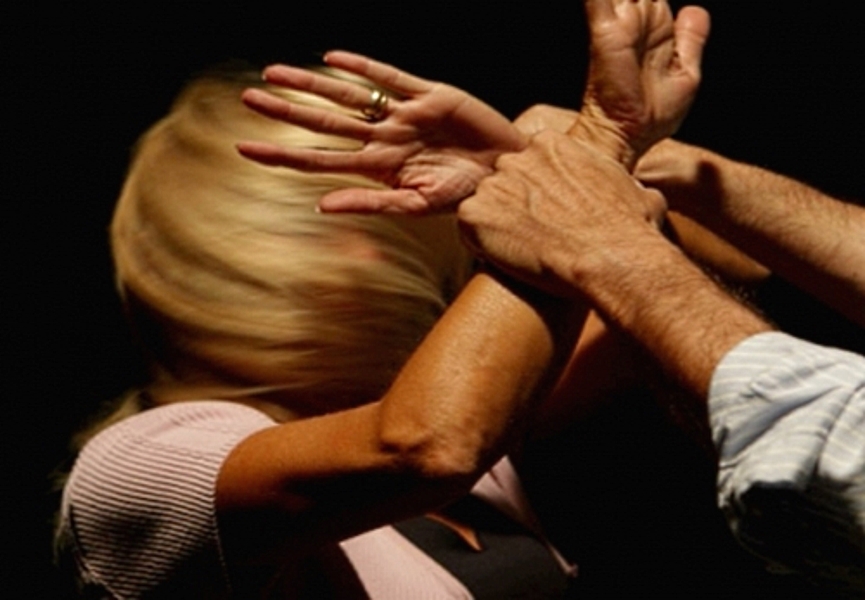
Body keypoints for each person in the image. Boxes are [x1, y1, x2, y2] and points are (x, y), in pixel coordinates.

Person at [57, 0, 710, 597]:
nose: (395, 249)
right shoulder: (141, 470)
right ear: (249, 270)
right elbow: (423, 446)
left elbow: (694, 264)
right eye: (361, 226)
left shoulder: (449, 414)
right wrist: (590, 153)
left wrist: (569, 169)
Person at [239, 4, 864, 597]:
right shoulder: (163, 453)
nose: (372, 256)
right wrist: (587, 157)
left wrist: (587, 167)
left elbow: (835, 451)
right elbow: (428, 441)